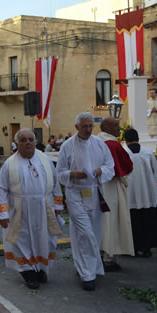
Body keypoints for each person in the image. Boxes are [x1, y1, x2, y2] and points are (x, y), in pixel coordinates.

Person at [0, 128, 64, 289]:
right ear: (17, 143)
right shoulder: (10, 164)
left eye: (30, 139)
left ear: (35, 141)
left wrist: (58, 204)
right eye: (23, 140)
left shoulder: (44, 160)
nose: (27, 142)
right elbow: (0, 189)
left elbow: (55, 182)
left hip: (44, 207)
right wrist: (2, 213)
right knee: (21, 240)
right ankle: (28, 272)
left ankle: (40, 268)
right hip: (20, 210)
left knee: (45, 238)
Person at [56, 112, 115, 291]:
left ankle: (84, 266)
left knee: (94, 232)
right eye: (84, 126)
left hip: (95, 192)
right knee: (85, 231)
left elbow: (109, 165)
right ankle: (88, 275)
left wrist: (100, 171)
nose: (88, 129)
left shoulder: (99, 144)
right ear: (77, 127)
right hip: (75, 193)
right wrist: (72, 174)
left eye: (91, 126)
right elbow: (59, 172)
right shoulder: (67, 146)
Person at [98, 117, 134, 271]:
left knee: (100, 222)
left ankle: (98, 253)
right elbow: (126, 166)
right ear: (106, 128)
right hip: (112, 188)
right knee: (112, 222)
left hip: (97, 188)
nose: (119, 129)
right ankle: (109, 257)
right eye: (116, 126)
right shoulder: (113, 145)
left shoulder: (95, 142)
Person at [124, 128, 157, 257]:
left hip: (130, 195)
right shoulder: (148, 152)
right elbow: (155, 172)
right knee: (147, 221)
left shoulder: (124, 153)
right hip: (148, 194)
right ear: (138, 139)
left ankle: (133, 248)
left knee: (133, 221)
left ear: (125, 141)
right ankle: (146, 248)